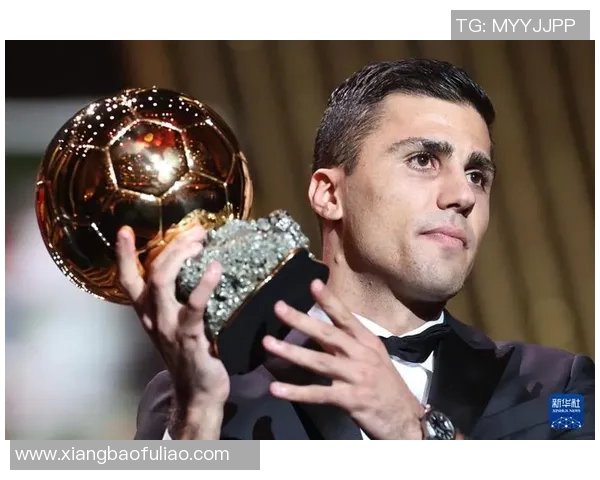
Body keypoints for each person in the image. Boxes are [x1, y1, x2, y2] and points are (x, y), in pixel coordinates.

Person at [117, 58, 594, 440]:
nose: (463, 196)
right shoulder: (206, 393)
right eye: (423, 160)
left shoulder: (560, 390)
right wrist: (198, 414)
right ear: (329, 194)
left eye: (477, 175)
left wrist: (414, 432)